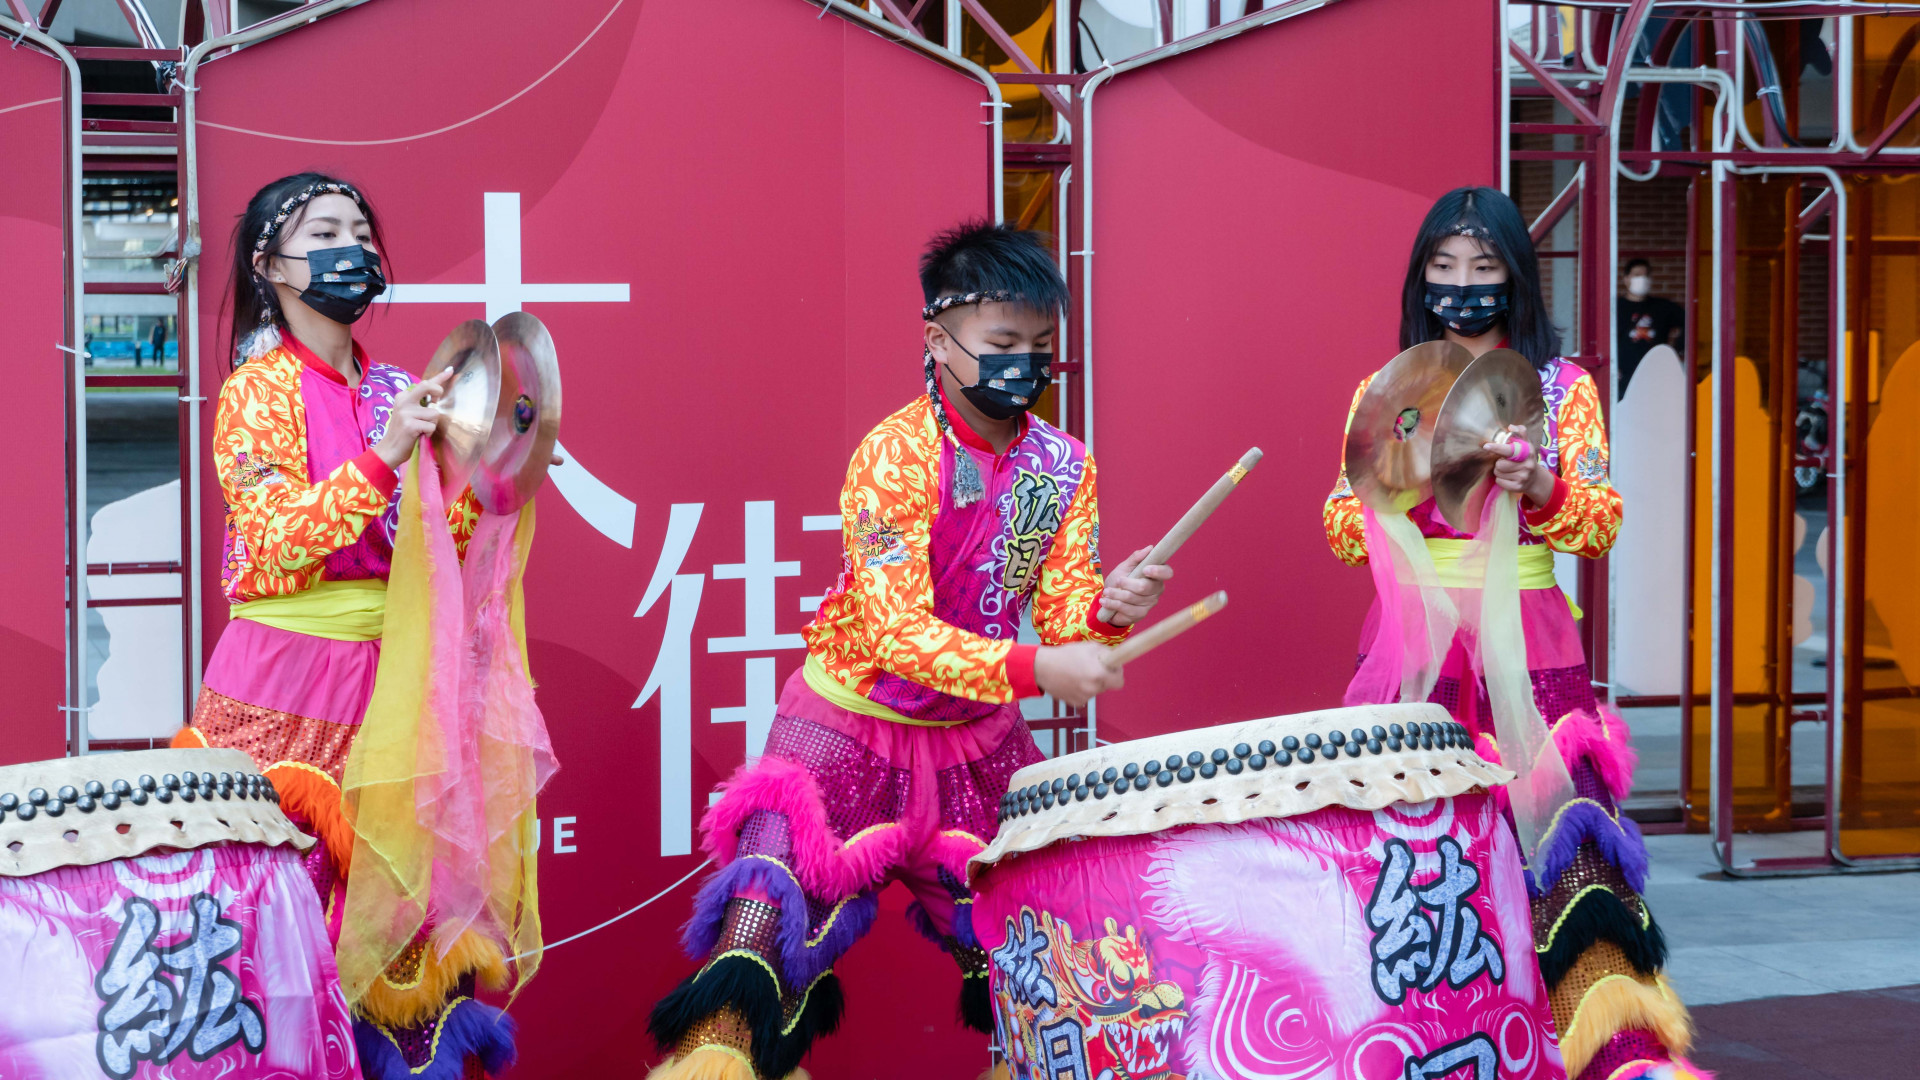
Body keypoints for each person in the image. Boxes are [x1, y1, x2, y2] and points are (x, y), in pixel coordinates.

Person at [645, 221, 1171, 1080]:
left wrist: (1108, 611)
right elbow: (895, 632)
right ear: (937, 339)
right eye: (1002, 343)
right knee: (751, 962)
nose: (1024, 364)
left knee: (1050, 965)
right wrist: (1039, 668)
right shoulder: (893, 456)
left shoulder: (1062, 466)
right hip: (845, 734)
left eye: (1039, 346)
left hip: (974, 746)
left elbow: (1063, 615)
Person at [1325, 188, 1706, 1080]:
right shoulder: (1386, 392)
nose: (1462, 285)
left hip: (1531, 646)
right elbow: (1340, 528)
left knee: (1564, 855)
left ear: (1516, 278)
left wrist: (1538, 487)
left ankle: (1614, 1054)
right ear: (1421, 278)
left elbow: (1600, 525)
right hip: (1417, 649)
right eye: (1443, 266)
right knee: (1417, 863)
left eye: (1483, 266)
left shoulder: (1564, 388)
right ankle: (1435, 1052)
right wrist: (1403, 485)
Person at [171, 172, 515, 1080]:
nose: (351, 249)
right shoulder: (256, 392)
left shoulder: (399, 386)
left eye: (360, 231)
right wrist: (388, 453)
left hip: (392, 690)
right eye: (324, 232)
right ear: (270, 266)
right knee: (275, 945)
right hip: (282, 690)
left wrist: (487, 475)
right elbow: (276, 540)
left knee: (408, 957)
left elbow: (435, 549)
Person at [1615, 257, 1684, 397]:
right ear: (1626, 279)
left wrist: (1676, 350)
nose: (1642, 279)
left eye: (1646, 275)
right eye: (1637, 275)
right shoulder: (1615, 307)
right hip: (1623, 378)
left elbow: (1688, 323)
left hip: (1656, 376)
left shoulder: (1663, 307)